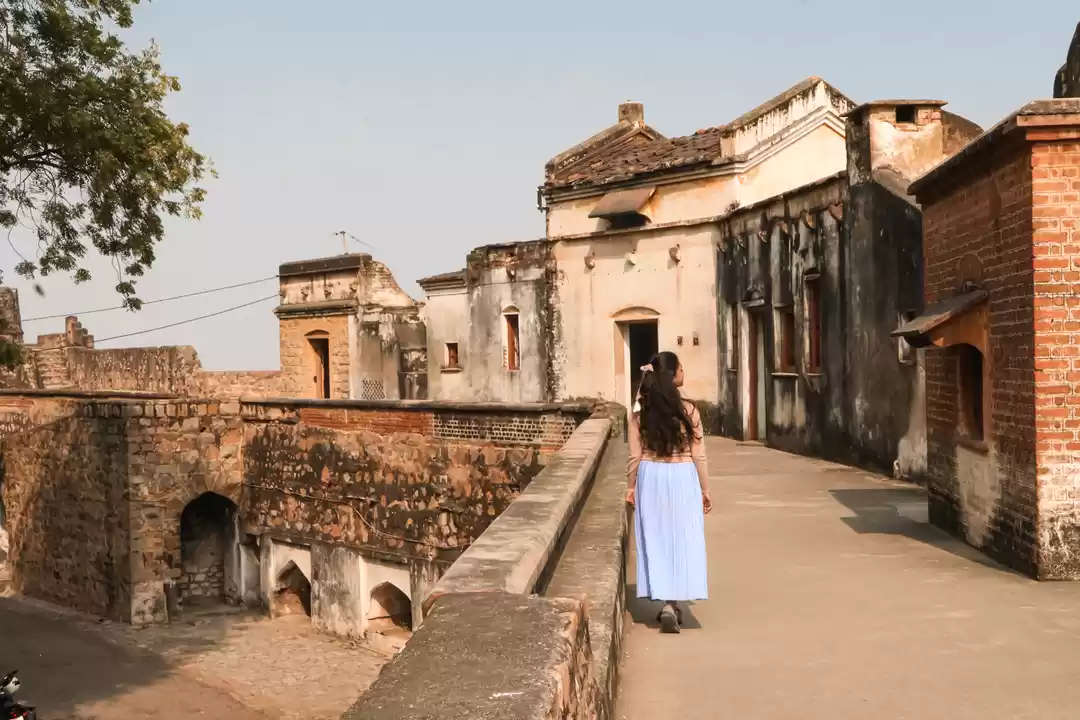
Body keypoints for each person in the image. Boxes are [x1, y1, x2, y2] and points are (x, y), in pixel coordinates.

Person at [625, 351, 711, 634]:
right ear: (673, 375)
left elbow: (634, 457)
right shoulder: (689, 410)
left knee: (657, 537)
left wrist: (631, 486)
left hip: (651, 475)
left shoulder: (640, 414)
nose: (684, 371)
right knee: (683, 537)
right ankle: (672, 603)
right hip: (683, 474)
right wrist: (705, 488)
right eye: (681, 367)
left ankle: (666, 602)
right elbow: (699, 455)